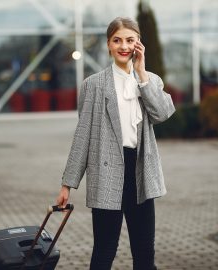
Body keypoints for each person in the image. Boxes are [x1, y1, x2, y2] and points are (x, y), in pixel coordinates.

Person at [56, 17, 175, 270]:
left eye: (130, 40)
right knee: (104, 249)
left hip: (140, 172)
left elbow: (163, 114)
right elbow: (83, 136)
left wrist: (142, 75)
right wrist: (68, 184)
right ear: (109, 44)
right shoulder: (93, 85)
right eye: (117, 40)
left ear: (138, 44)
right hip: (105, 171)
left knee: (144, 252)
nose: (124, 46)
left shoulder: (150, 81)